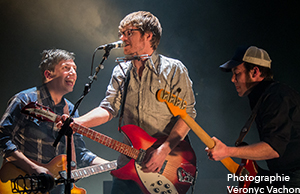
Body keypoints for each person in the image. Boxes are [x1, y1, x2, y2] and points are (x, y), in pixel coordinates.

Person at [72, 11, 197, 193]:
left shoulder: (174, 69)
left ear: (148, 36)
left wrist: (163, 151)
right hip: (128, 163)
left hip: (165, 164)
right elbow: (108, 108)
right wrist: (77, 123)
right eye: (121, 33)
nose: (122, 38)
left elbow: (188, 115)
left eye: (129, 32)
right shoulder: (120, 71)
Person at [0, 49, 109, 193]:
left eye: (74, 69)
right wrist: (33, 168)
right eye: (66, 68)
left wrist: (113, 165)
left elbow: (79, 152)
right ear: (48, 74)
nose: (73, 72)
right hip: (23, 183)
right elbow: (2, 136)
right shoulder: (25, 100)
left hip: (55, 188)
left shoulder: (70, 110)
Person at [205, 45, 300, 189]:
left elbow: (273, 148)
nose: (232, 79)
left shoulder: (275, 97)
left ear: (255, 71)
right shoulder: (265, 96)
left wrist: (227, 151)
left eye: (237, 73)